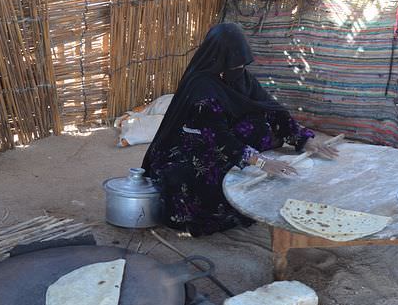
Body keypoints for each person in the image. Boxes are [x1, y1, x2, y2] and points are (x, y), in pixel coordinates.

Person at [141, 23, 339, 236]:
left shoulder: (241, 77)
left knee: (256, 125)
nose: (238, 71)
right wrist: (261, 162)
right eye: (233, 66)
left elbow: (270, 108)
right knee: (201, 184)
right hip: (195, 148)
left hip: (225, 142)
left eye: (241, 65)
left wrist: (301, 138)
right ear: (218, 61)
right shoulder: (202, 87)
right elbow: (217, 137)